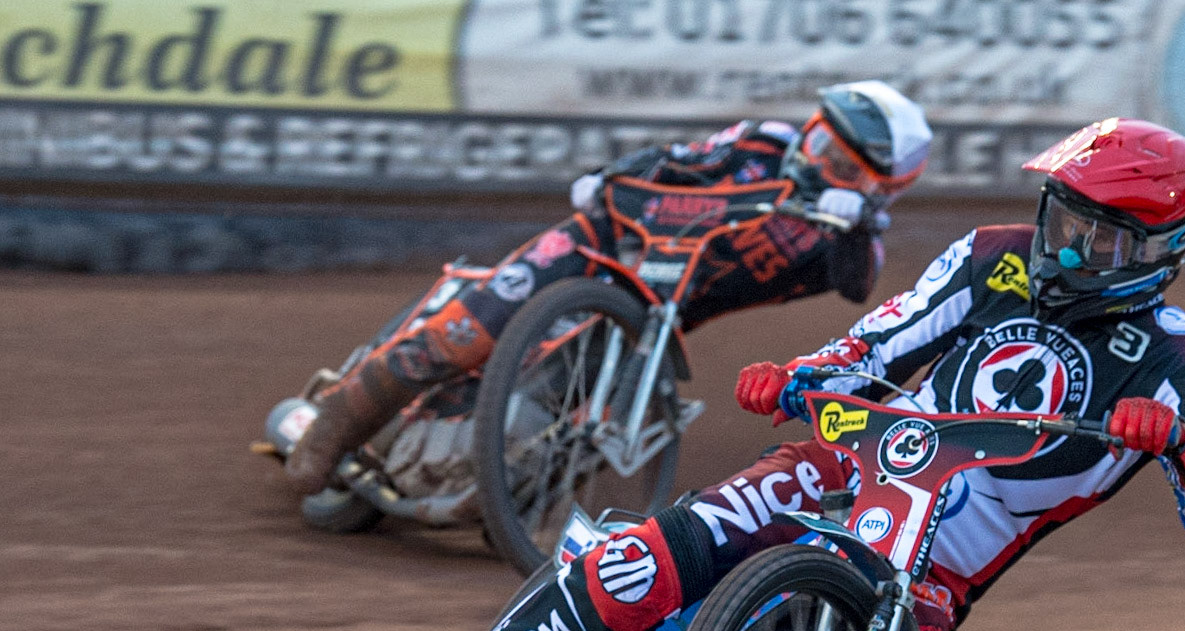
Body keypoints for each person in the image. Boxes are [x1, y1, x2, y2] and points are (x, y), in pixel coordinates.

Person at [389, 117, 1185, 631]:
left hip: (933, 571)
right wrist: (801, 376)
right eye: (1060, 218)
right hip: (847, 466)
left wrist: (1176, 436)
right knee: (640, 565)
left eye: (1096, 236)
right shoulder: (991, 258)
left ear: (1158, 251)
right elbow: (876, 344)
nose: (1064, 246)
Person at [285, 80, 933, 494]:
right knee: (464, 335)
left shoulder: (853, 238)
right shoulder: (762, 142)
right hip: (596, 240)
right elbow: (680, 159)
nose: (816, 160)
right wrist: (610, 175)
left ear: (881, 185)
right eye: (821, 140)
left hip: (650, 311)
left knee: (558, 411)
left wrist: (850, 222)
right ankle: (336, 423)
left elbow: (857, 287)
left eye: (843, 164)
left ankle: (499, 491)